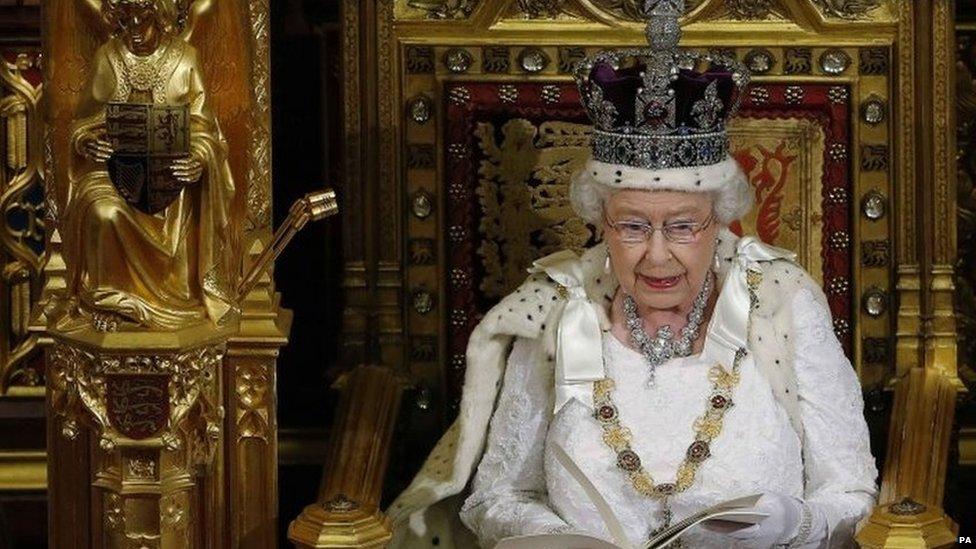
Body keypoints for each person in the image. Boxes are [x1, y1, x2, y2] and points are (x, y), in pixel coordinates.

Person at [387, 1, 877, 547]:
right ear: (600, 222)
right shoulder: (556, 309)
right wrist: (562, 541)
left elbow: (851, 491)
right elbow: (500, 497)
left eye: (684, 226)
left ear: (720, 221)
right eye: (634, 227)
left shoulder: (783, 302)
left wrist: (799, 526)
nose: (658, 257)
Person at [60, 0, 236, 331]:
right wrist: (87, 141)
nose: (136, 29)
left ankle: (177, 295)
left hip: (169, 179)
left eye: (143, 19)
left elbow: (204, 128)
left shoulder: (185, 58)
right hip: (113, 174)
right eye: (127, 20)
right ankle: (109, 300)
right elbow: (82, 123)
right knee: (103, 212)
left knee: (175, 195)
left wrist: (198, 159)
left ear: (160, 16)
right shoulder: (108, 57)